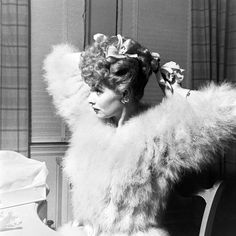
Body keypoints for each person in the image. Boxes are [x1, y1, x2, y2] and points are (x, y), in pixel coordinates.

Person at [43, 33, 236, 236]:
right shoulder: (89, 122)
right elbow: (59, 65)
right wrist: (104, 51)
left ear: (125, 93)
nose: (90, 98)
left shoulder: (158, 133)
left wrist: (178, 92)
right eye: (91, 89)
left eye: (98, 92)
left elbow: (229, 110)